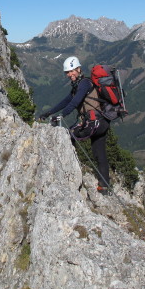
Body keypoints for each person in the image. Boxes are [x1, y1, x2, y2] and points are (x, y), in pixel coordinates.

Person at [39, 56, 111, 194]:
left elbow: (74, 103)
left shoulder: (84, 84)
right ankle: (104, 187)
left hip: (94, 123)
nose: (70, 74)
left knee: (68, 134)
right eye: (67, 72)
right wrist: (48, 113)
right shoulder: (78, 85)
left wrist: (62, 115)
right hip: (101, 122)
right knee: (99, 153)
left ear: (79, 69)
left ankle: (68, 169)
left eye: (72, 71)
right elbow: (65, 101)